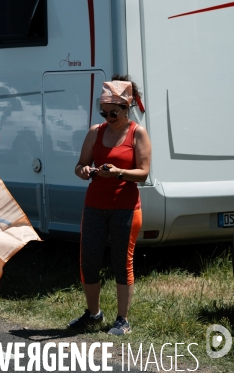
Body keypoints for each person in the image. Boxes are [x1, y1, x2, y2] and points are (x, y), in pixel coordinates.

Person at [69, 75, 152, 336]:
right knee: (89, 261)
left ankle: (122, 320)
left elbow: (144, 173)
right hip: (95, 205)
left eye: (113, 113)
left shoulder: (138, 133)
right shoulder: (96, 131)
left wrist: (118, 172)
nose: (107, 117)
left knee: (121, 262)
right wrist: (84, 170)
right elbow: (80, 164)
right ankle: (93, 314)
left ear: (127, 108)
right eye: (103, 112)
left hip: (126, 207)